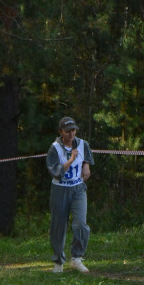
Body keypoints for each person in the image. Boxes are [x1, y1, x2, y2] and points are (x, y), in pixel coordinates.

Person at [46, 116, 94, 274]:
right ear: (61, 132)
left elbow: (87, 157)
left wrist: (86, 165)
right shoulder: (54, 149)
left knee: (81, 224)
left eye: (73, 130)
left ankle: (77, 258)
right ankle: (58, 261)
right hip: (60, 190)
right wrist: (71, 159)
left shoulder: (82, 144)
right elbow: (56, 172)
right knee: (58, 226)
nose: (71, 134)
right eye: (67, 131)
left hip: (78, 188)